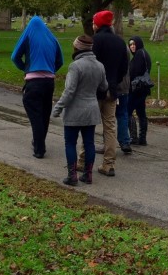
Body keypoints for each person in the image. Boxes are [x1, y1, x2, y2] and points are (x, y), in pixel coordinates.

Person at [78, 10, 128, 177]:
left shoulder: (94, 41)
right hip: (112, 90)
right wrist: (113, 82)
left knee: (88, 125)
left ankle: (83, 160)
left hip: (94, 90)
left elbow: (89, 65)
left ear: (97, 24)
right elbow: (123, 68)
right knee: (110, 127)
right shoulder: (120, 42)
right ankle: (109, 164)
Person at [52, 35, 107, 186]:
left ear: (77, 48)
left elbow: (69, 91)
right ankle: (88, 175)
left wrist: (58, 107)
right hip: (91, 110)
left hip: (75, 111)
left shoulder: (75, 66)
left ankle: (72, 175)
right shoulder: (99, 65)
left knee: (70, 143)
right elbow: (104, 87)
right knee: (89, 143)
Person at [11, 15, 64, 159]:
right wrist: (50, 70)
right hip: (49, 82)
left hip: (34, 82)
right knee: (45, 113)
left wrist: (26, 69)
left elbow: (15, 56)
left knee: (35, 115)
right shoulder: (52, 38)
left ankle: (39, 148)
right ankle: (39, 141)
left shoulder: (28, 34)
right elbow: (60, 61)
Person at [128, 36, 152, 146]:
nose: (132, 46)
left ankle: (134, 137)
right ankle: (143, 138)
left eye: (134, 44)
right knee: (141, 112)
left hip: (137, 88)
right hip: (143, 88)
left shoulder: (138, 55)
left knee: (127, 112)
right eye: (130, 44)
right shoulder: (144, 53)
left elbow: (133, 72)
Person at [115, 45, 132, 154]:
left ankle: (108, 143)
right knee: (122, 114)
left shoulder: (110, 46)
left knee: (108, 117)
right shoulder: (124, 47)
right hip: (125, 86)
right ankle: (125, 141)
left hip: (115, 86)